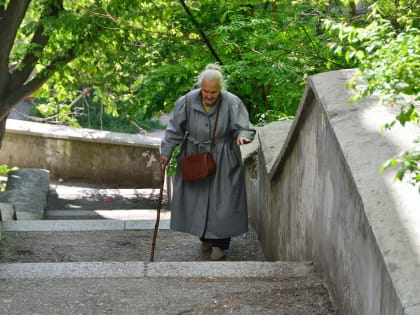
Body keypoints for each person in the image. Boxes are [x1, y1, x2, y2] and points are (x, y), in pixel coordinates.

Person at [160, 63, 255, 260]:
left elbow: (244, 126)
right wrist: (166, 152)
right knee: (200, 200)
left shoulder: (231, 102)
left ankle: (220, 245)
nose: (209, 96)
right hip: (195, 155)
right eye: (205, 91)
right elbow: (174, 129)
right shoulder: (187, 101)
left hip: (224, 157)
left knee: (223, 202)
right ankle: (205, 239)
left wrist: (242, 136)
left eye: (213, 92)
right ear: (200, 87)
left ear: (220, 89)